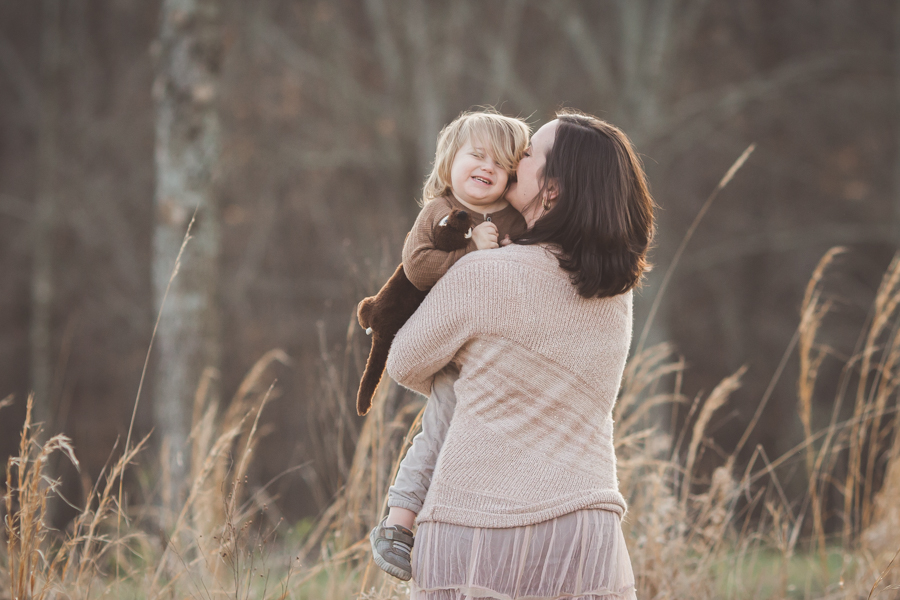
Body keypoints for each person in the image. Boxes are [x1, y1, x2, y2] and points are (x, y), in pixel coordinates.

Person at [384, 110, 655, 600]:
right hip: (585, 526)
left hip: (477, 523)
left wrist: (465, 366)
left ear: (551, 189)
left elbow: (404, 361)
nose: (514, 158)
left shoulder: (482, 274)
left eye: (528, 154)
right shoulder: (615, 293)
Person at [368, 109, 530, 581]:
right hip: (446, 345)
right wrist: (470, 252)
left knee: (480, 442)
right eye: (476, 155)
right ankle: (399, 524)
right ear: (448, 162)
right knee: (437, 430)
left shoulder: (512, 216)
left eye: (500, 164)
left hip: (492, 349)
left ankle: (469, 525)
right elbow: (418, 266)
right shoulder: (439, 210)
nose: (487, 167)